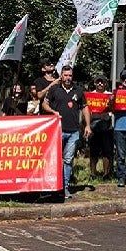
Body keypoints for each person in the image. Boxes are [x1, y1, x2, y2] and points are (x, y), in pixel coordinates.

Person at [42, 65, 91, 199]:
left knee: (68, 160)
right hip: (57, 130)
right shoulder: (54, 89)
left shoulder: (78, 90)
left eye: (70, 75)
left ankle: (65, 187)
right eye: (65, 75)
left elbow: (85, 107)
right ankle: (52, 187)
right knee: (54, 160)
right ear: (61, 76)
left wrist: (87, 125)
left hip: (73, 131)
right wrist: (53, 112)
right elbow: (44, 104)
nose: (68, 78)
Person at [87, 74, 114, 180]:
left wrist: (111, 102)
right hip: (94, 124)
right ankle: (92, 174)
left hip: (106, 125)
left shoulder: (110, 95)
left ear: (105, 84)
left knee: (106, 151)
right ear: (94, 83)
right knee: (93, 151)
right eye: (98, 82)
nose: (100, 84)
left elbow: (113, 109)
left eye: (102, 82)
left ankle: (106, 173)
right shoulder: (90, 95)